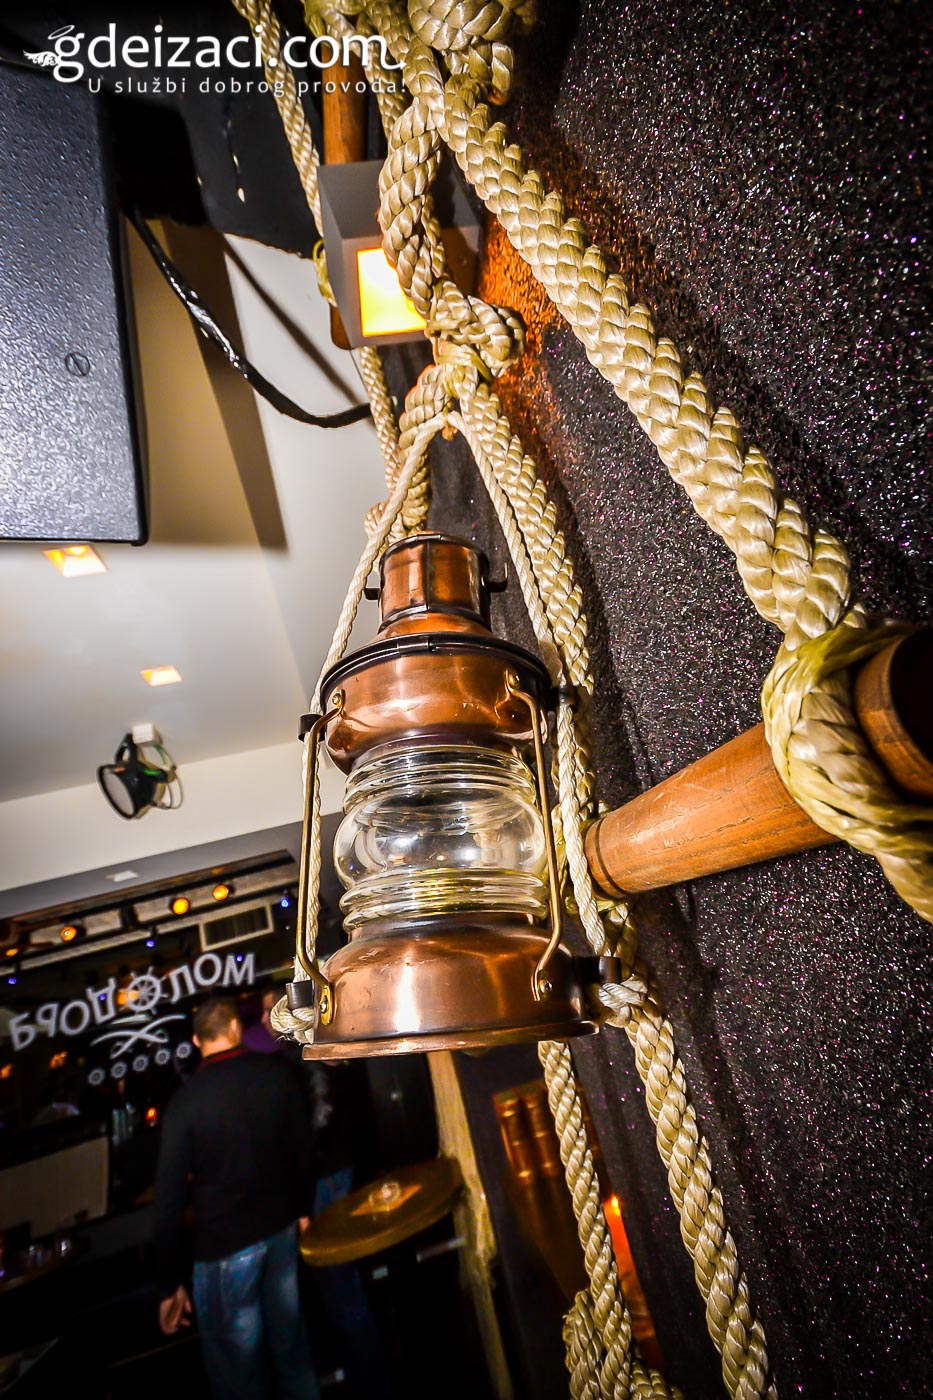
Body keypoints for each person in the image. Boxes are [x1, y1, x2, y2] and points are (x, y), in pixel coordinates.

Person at [153, 996, 319, 1400]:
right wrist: (303, 1210)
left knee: (239, 1378)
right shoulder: (275, 1073)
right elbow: (300, 1148)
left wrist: (169, 1283)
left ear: (197, 1041)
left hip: (225, 1250)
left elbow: (169, 1200)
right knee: (292, 1352)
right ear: (235, 1029)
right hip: (280, 1231)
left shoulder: (185, 1102)